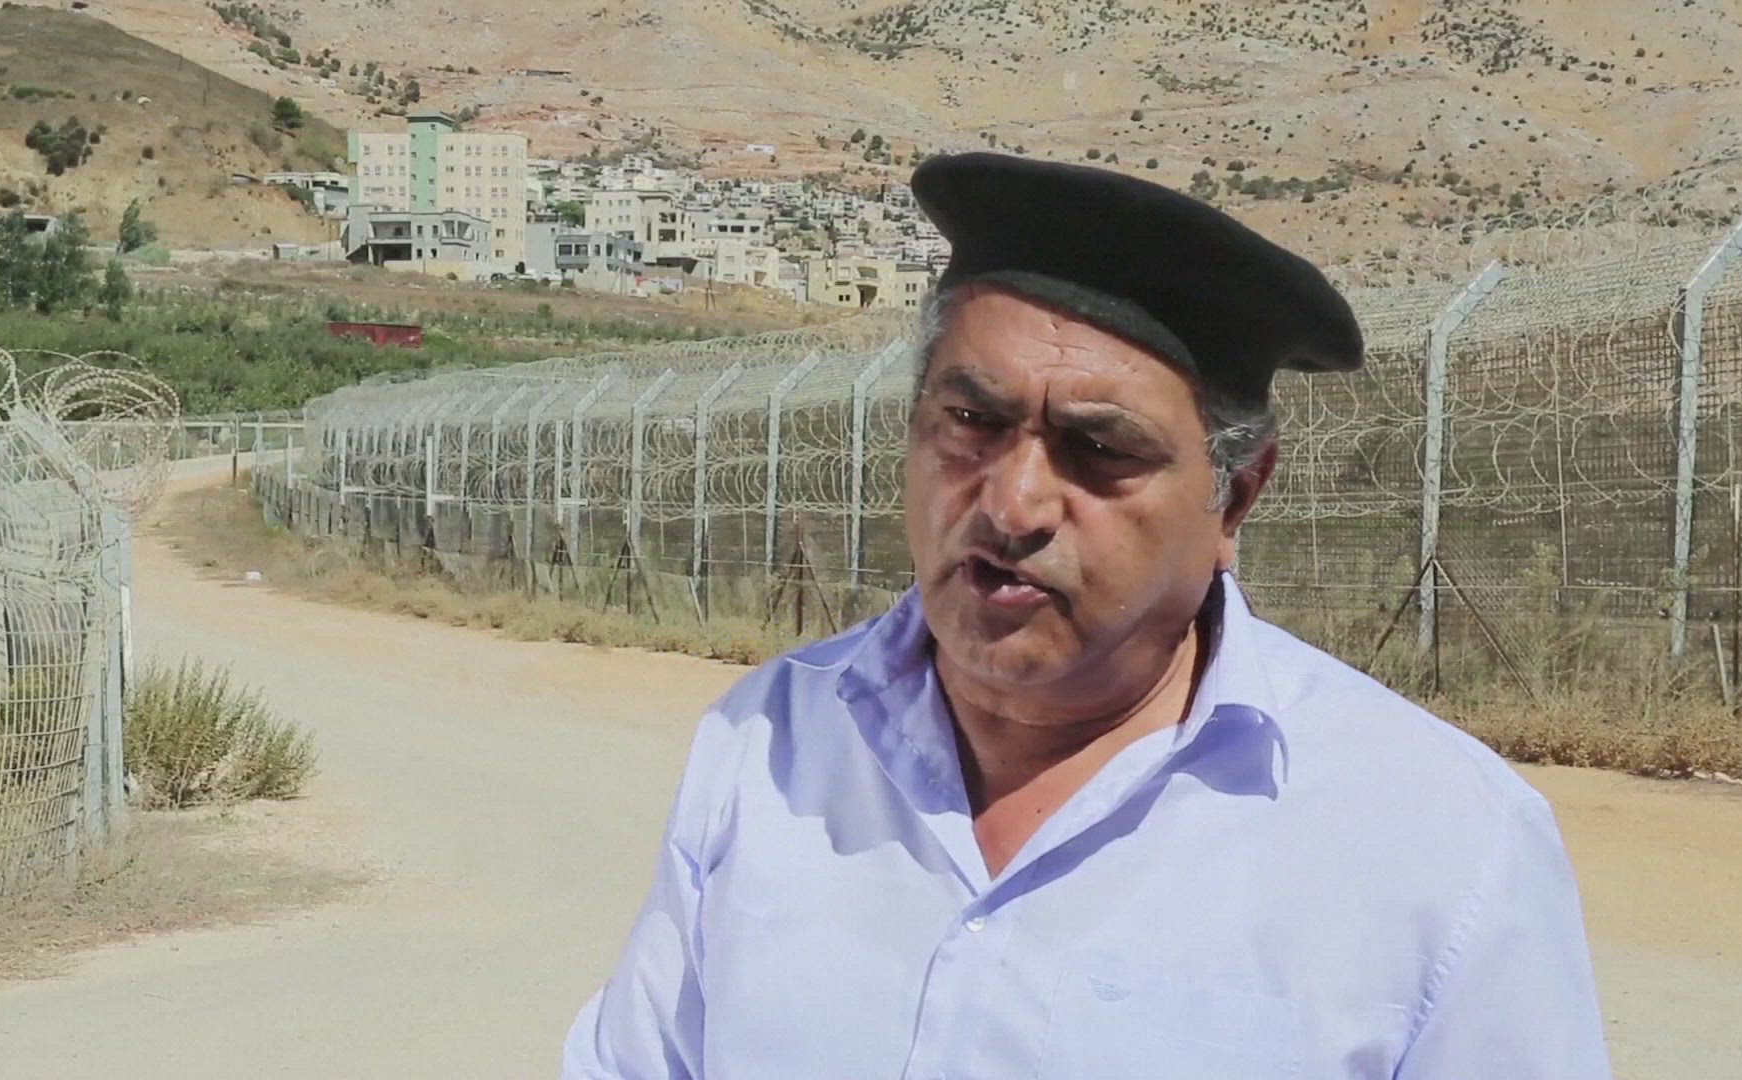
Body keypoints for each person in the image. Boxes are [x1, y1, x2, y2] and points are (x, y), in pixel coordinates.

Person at [561, 152, 1611, 1079]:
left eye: (1100, 450)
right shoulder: (769, 745)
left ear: (1235, 498)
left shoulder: (1440, 845)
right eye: (970, 421)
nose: (1013, 504)